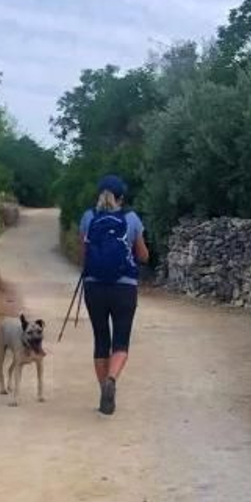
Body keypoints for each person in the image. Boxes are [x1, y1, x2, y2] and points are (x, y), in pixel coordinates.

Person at [79, 175, 149, 415]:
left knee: (101, 340)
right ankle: (112, 379)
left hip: (94, 287)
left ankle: (103, 393)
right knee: (120, 341)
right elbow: (143, 256)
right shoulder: (131, 218)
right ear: (121, 197)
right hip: (124, 288)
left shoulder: (89, 218)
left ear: (99, 195)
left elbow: (85, 253)